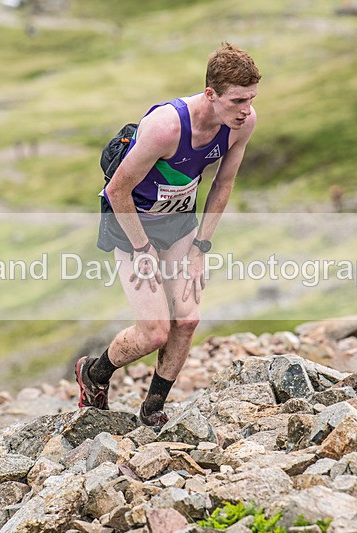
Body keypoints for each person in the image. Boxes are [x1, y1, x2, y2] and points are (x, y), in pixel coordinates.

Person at [75, 43, 260, 428]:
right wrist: (142, 248)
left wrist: (200, 247)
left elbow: (223, 186)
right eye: (238, 100)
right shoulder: (166, 127)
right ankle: (94, 372)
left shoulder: (243, 124)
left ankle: (153, 409)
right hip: (131, 225)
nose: (246, 110)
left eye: (251, 99)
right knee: (154, 332)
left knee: (187, 320)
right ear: (211, 95)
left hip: (178, 224)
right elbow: (116, 191)